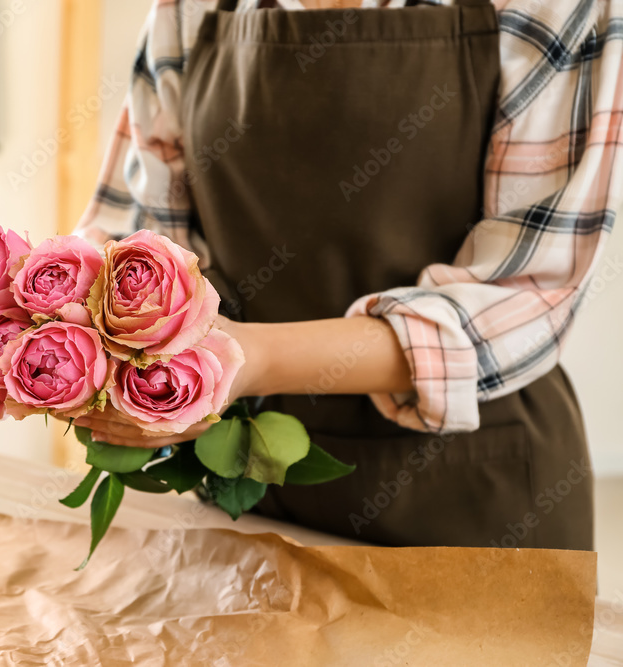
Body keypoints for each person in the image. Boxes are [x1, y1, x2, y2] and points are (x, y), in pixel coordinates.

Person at [72, 0, 622, 551]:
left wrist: (251, 361)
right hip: (251, 486)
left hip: (475, 492)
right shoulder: (187, 10)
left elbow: (524, 294)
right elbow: (138, 243)